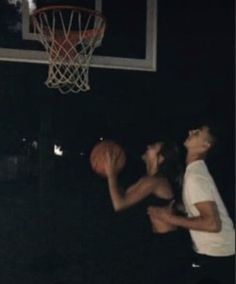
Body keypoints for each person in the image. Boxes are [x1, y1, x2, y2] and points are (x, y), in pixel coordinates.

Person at [147, 125, 235, 284]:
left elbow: (212, 223)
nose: (190, 132)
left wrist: (168, 218)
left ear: (205, 145)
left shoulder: (195, 176)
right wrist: (178, 207)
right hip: (217, 253)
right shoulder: (195, 171)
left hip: (217, 254)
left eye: (197, 133)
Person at [104, 141, 191, 284]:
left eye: (154, 146)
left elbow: (119, 204)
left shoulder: (155, 181)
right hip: (160, 243)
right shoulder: (148, 179)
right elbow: (124, 196)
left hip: (167, 246)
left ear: (160, 158)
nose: (148, 146)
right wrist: (114, 173)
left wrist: (111, 174)